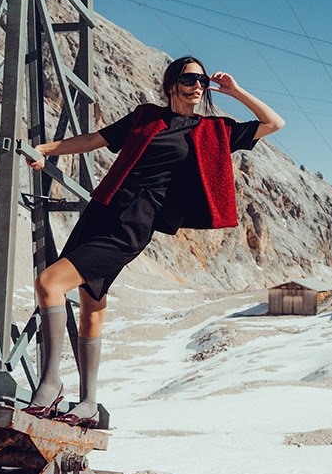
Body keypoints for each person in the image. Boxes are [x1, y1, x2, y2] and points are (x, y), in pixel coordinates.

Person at [26, 55, 284, 425]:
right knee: (92, 304)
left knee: (48, 283)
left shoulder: (213, 131)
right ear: (171, 84)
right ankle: (89, 403)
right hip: (101, 212)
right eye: (190, 79)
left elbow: (274, 123)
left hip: (132, 225)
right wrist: (45, 150)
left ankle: (51, 383)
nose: (198, 86)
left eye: (203, 81)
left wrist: (236, 91)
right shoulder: (145, 117)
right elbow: (95, 140)